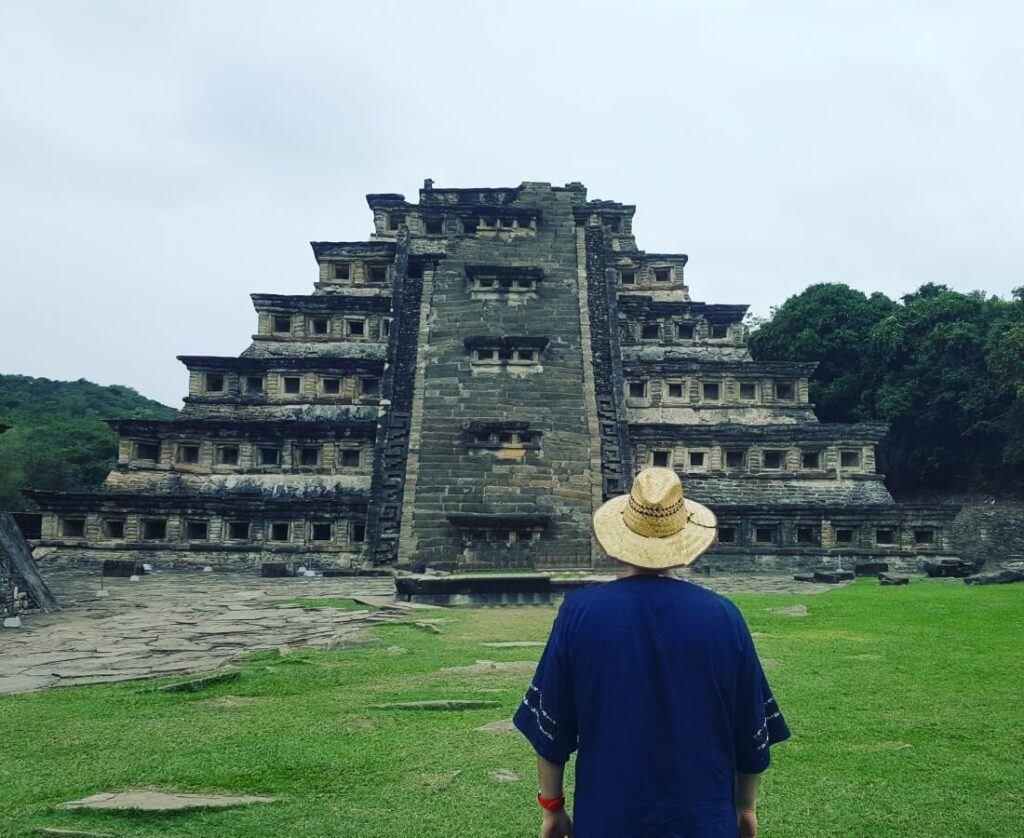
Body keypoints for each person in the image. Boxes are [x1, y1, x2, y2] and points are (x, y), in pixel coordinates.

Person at [513, 467, 790, 837]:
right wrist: (745, 807)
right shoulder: (724, 616)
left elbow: (551, 727)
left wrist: (552, 808)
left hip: (607, 822)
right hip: (704, 823)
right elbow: (751, 731)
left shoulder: (579, 613)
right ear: (684, 539)